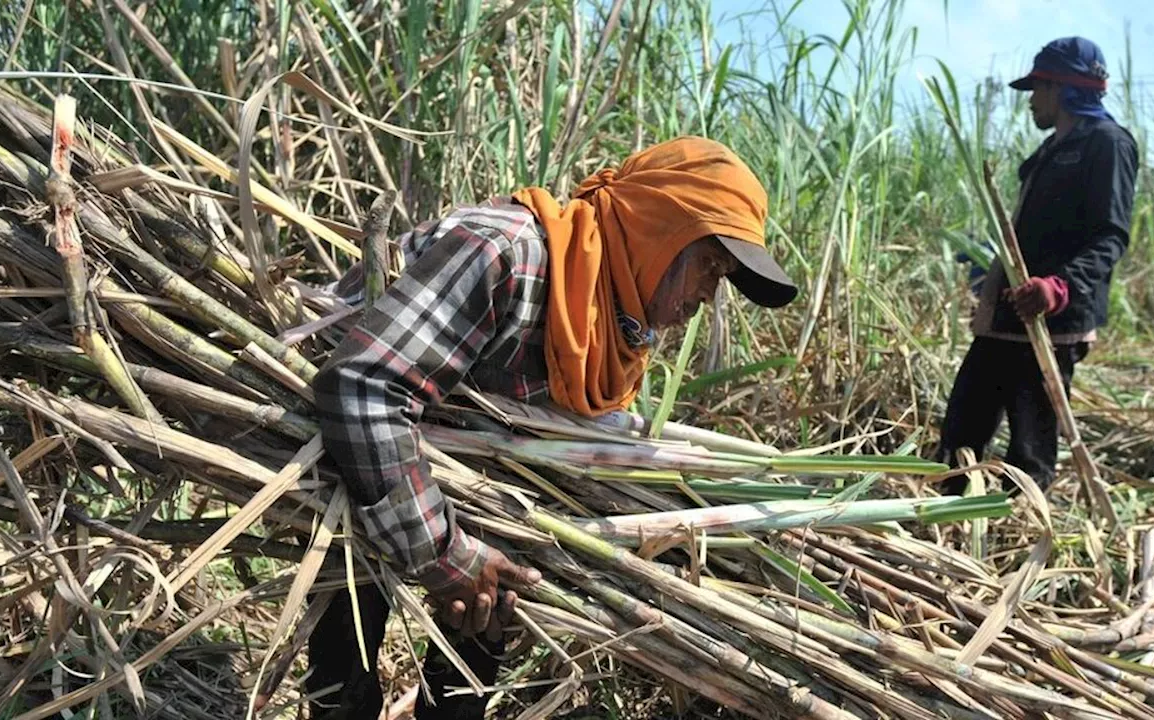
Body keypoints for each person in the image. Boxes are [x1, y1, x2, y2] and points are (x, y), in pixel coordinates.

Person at [303, 137, 798, 719]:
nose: (711, 293)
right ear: (658, 227)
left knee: (477, 648)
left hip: (463, 491)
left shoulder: (614, 326)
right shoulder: (505, 255)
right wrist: (447, 557)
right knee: (346, 658)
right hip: (355, 466)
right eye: (710, 264)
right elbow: (363, 387)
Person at [936, 37, 1139, 495]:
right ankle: (946, 521)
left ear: (1065, 89)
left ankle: (1024, 541)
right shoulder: (1048, 152)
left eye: (1039, 89)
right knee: (960, 432)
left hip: (1051, 322)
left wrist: (1059, 286)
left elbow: (1111, 237)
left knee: (1029, 450)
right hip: (1008, 317)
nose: (1031, 101)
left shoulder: (1107, 145)